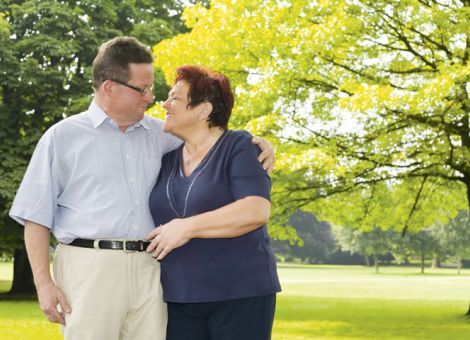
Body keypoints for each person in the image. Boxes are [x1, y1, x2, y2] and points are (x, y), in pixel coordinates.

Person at [9, 37, 275, 340]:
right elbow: (35, 216)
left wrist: (258, 145)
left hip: (152, 269)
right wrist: (44, 284)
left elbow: (210, 135)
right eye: (142, 89)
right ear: (109, 87)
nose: (151, 98)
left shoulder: (161, 134)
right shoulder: (62, 137)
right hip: (89, 267)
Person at [146, 65, 281, 340]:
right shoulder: (167, 158)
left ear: (203, 110)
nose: (164, 104)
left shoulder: (239, 145)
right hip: (178, 297)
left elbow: (255, 209)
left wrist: (186, 227)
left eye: (175, 97)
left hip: (240, 293)